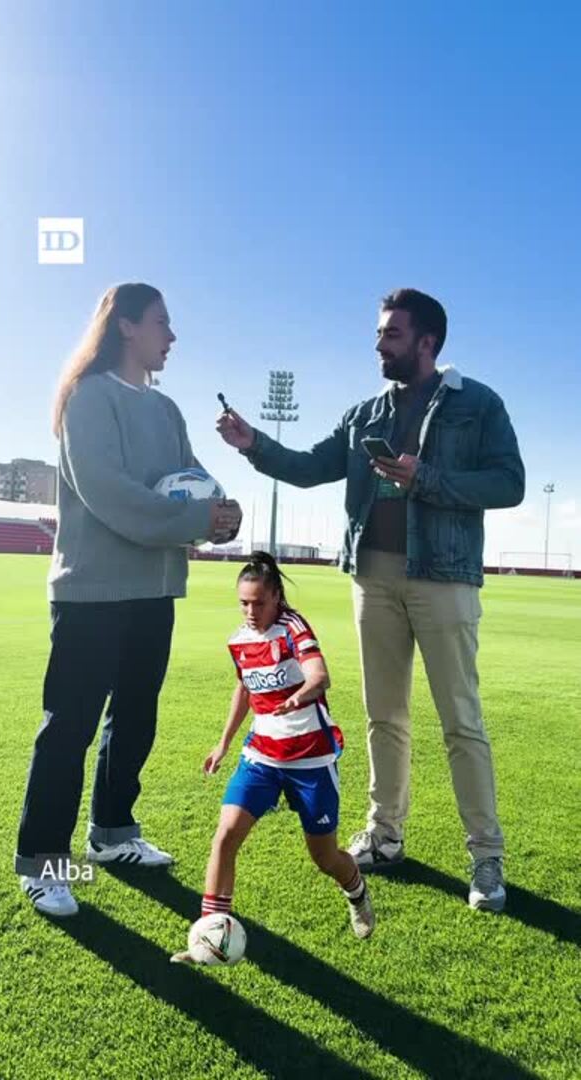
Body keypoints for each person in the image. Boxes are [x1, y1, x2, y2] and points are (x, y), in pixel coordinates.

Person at [216, 288, 525, 913]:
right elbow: (310, 466)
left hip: (444, 576)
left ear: (427, 342)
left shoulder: (478, 403)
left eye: (391, 334)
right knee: (384, 715)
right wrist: (253, 443)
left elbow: (510, 483)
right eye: (380, 333)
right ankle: (385, 835)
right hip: (373, 576)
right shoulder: (365, 413)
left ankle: (485, 857)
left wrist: (427, 478)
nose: (379, 344)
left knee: (460, 720)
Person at [16, 282, 242, 917]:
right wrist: (195, 520)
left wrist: (222, 514)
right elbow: (109, 493)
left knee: (135, 718)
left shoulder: (166, 409)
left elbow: (193, 479)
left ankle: (113, 833)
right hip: (91, 591)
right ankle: (42, 863)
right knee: (71, 726)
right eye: (162, 322)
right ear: (125, 327)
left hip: (154, 589)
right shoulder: (88, 397)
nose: (172, 336)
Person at [172, 551, 375, 962]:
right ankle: (208, 935)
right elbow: (244, 689)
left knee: (324, 857)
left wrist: (299, 696)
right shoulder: (239, 640)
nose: (251, 612)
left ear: (277, 597)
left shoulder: (293, 627)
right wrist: (223, 744)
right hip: (261, 756)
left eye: (259, 603)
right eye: (244, 603)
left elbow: (320, 676)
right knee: (226, 835)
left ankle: (356, 892)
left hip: (310, 758)